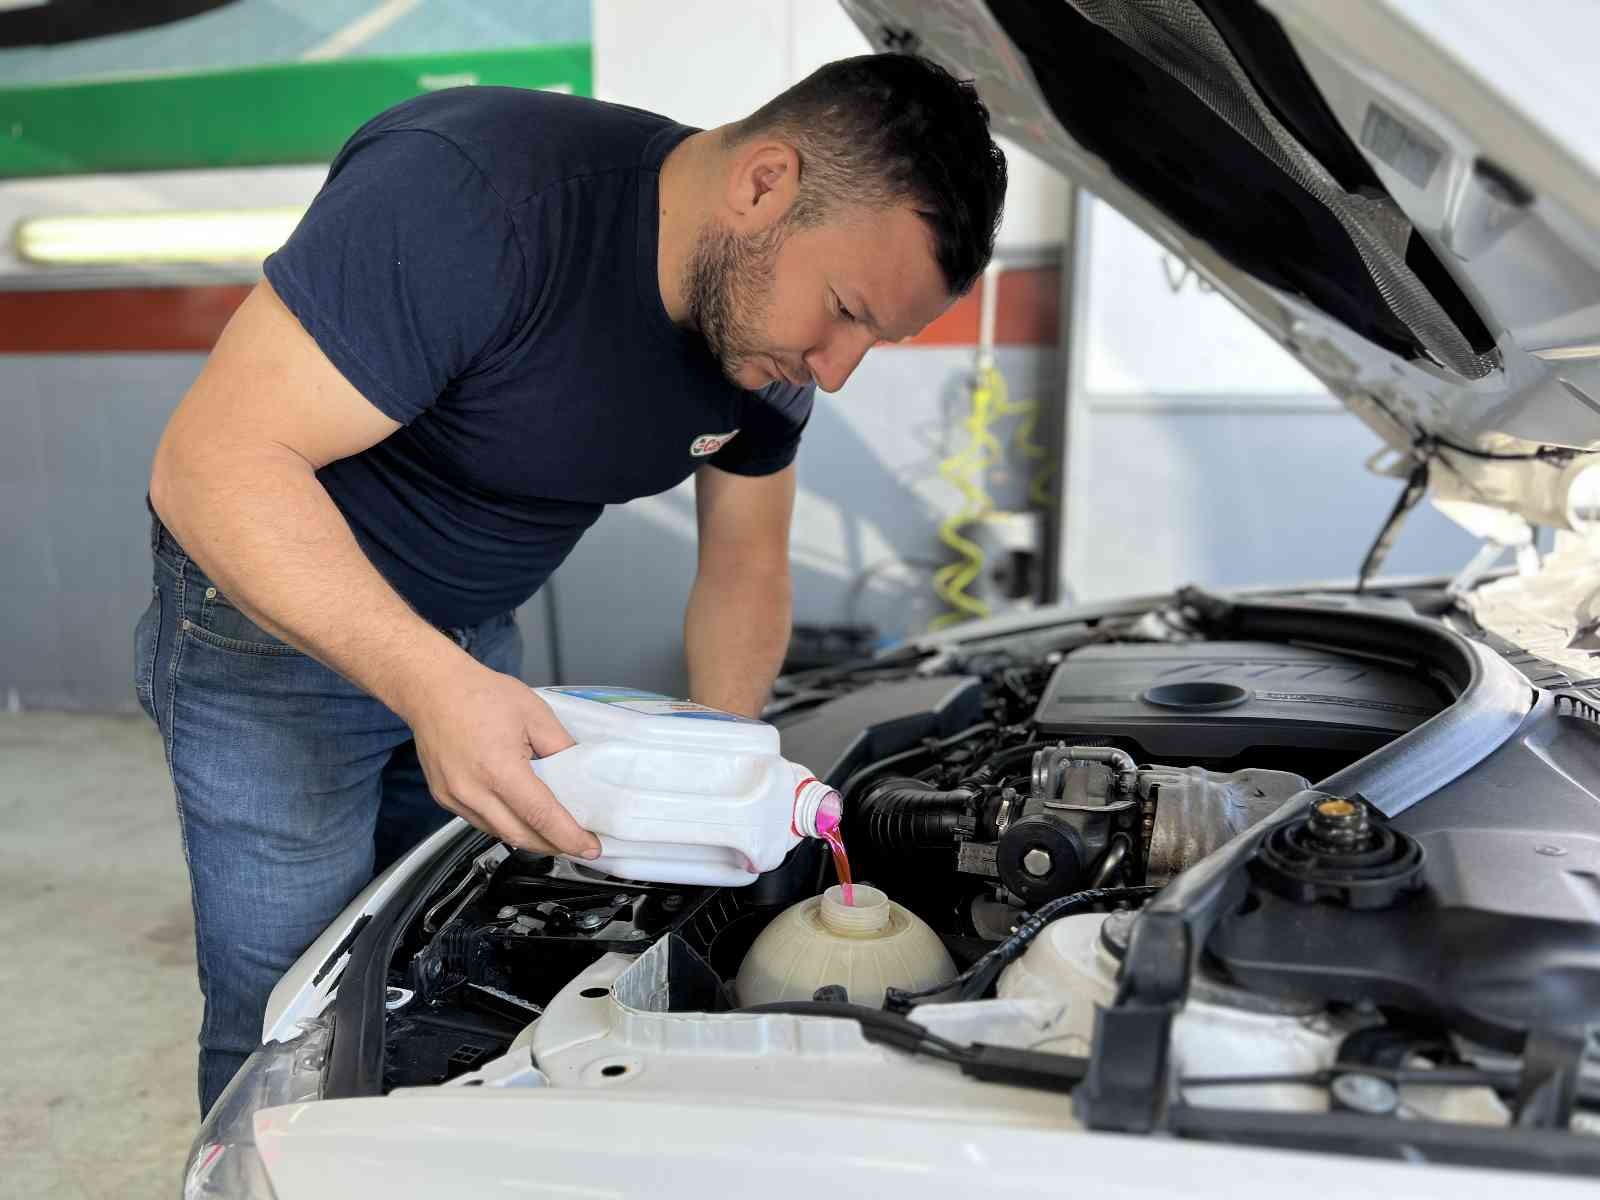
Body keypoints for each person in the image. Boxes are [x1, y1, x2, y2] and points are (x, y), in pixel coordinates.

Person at [135, 52, 1007, 1115]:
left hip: (467, 644)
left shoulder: (766, 344)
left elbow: (746, 563)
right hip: (271, 636)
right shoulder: (473, 196)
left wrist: (720, 761)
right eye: (844, 310)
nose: (836, 369)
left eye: (878, 337)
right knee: (291, 1005)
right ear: (764, 184)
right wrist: (430, 683)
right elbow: (212, 465)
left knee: (437, 968)